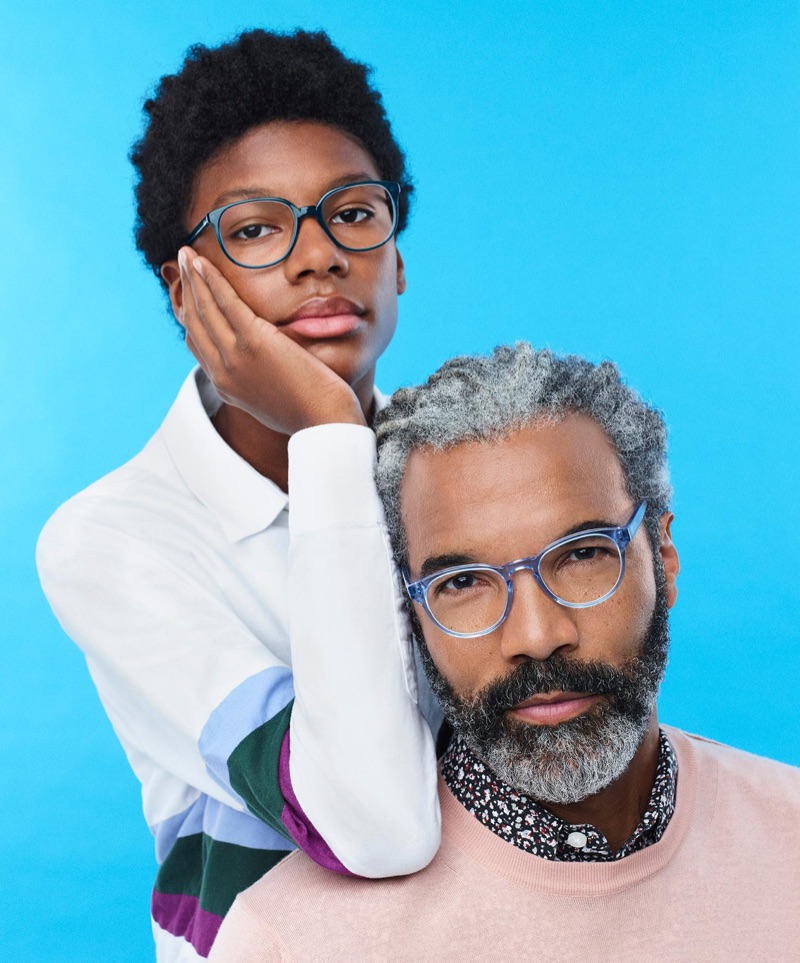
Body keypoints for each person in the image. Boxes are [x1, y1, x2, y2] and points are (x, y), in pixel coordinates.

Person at [36, 29, 441, 962]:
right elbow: (371, 828)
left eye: (354, 213)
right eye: (256, 229)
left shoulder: (463, 462)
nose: (320, 257)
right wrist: (331, 438)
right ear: (184, 293)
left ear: (399, 259)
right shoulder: (111, 540)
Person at [209, 344, 800, 962]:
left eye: (582, 555)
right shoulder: (289, 941)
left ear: (663, 558)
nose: (536, 636)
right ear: (409, 613)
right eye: (461, 583)